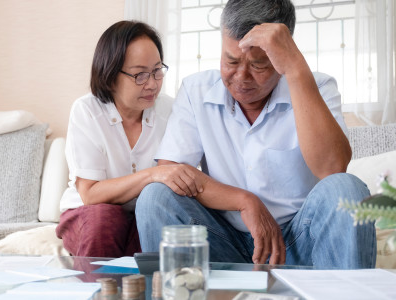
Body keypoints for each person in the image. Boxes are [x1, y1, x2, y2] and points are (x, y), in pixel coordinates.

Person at [135, 0, 376, 269]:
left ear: (282, 56)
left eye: (259, 65)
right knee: (156, 197)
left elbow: (333, 168)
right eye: (231, 60)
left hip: (298, 242)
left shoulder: (317, 86)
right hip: (222, 241)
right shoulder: (196, 90)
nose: (241, 77)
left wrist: (296, 70)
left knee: (347, 189)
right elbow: (173, 172)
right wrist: (244, 202)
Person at [56, 21, 201, 258]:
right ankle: (95, 294)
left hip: (142, 211)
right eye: (140, 75)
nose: (152, 84)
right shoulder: (87, 110)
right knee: (105, 220)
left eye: (157, 71)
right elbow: (90, 194)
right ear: (110, 75)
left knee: (154, 227)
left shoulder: (171, 110)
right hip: (89, 213)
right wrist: (153, 174)